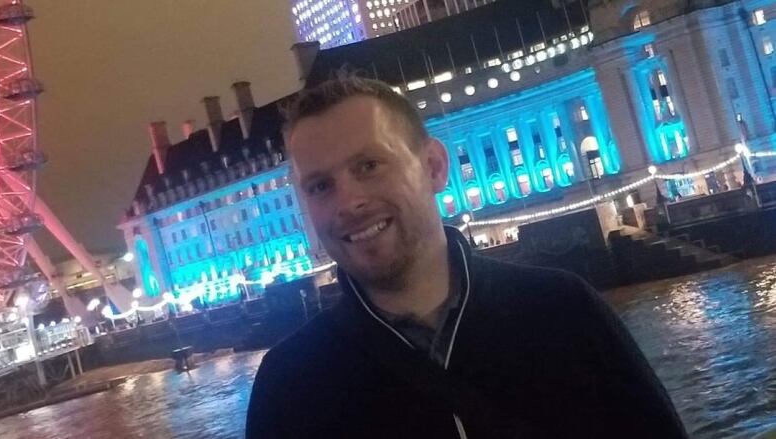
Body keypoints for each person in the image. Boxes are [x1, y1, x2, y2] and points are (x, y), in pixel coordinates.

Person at [245, 75, 688, 438]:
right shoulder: (289, 383)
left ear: (434, 167)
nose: (348, 202)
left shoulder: (564, 311)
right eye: (321, 185)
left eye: (369, 166)